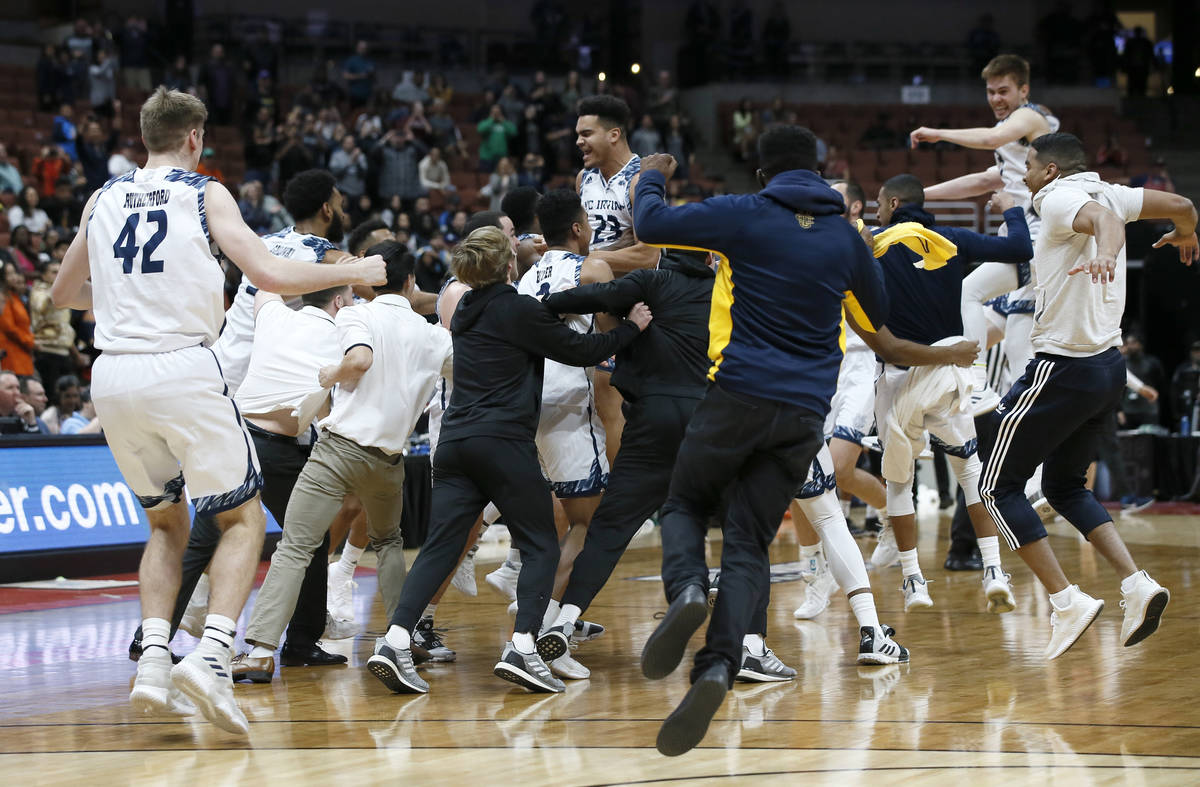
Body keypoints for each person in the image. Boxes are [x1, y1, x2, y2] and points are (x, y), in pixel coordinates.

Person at [50, 87, 384, 734]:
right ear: (195, 138)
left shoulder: (101, 198)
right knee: (241, 521)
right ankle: (211, 656)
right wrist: (361, 265)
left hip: (113, 373)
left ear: (145, 135)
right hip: (180, 364)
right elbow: (270, 273)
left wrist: (124, 296)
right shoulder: (203, 192)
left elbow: (66, 292)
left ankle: (153, 662)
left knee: (165, 525)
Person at [632, 127, 888, 756]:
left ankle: (689, 588)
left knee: (685, 504)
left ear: (762, 171)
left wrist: (654, 172)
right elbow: (877, 310)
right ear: (819, 168)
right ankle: (719, 662)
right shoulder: (844, 236)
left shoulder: (745, 214)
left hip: (740, 393)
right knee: (748, 537)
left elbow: (650, 223)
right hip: (804, 414)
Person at [366, 226, 649, 696]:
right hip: (502, 442)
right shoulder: (519, 308)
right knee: (540, 544)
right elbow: (580, 349)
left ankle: (395, 641)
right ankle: (523, 647)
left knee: (439, 547)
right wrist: (631, 328)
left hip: (456, 442)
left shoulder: (467, 308)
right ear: (509, 265)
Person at [977, 131, 1197, 659]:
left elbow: (1103, 225)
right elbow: (1184, 205)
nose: (1025, 175)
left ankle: (1065, 601)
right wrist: (1187, 233)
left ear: (1050, 170)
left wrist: (1106, 249)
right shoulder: (1111, 191)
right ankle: (1136, 584)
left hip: (1063, 368)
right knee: (1065, 487)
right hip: (1107, 370)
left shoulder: (1055, 200)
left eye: (1029, 166)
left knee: (994, 488)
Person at [238, 241, 438, 677]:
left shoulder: (354, 314)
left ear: (367, 283)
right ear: (410, 281)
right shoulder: (434, 334)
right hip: (389, 458)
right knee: (388, 544)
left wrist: (330, 374)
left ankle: (257, 653)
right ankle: (400, 639)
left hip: (337, 450)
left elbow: (360, 359)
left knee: (295, 546)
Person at [536, 246, 715, 676]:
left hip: (650, 421)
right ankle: (743, 638)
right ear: (709, 258)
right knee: (717, 521)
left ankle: (562, 625)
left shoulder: (649, 283)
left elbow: (586, 297)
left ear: (667, 254)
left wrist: (550, 304)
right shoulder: (721, 291)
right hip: (706, 421)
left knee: (610, 530)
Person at [865, 174, 1029, 613]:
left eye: (878, 204)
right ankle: (994, 569)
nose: (875, 212)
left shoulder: (874, 244)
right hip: (947, 372)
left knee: (900, 483)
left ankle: (914, 579)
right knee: (970, 473)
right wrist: (1011, 208)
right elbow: (1020, 250)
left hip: (899, 374)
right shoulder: (950, 238)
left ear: (894, 202)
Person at [911, 54, 1059, 415]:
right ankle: (944, 412)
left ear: (1023, 90)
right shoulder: (1017, 144)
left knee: (967, 293)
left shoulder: (1031, 117)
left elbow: (992, 137)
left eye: (1004, 90)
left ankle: (975, 386)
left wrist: (938, 133)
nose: (996, 99)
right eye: (991, 92)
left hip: (1037, 238)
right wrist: (921, 195)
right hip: (1024, 241)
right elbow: (983, 181)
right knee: (1000, 346)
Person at [513, 189, 615, 679]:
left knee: (558, 522)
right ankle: (542, 635)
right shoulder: (591, 270)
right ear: (577, 229)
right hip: (570, 405)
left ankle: (535, 620)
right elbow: (611, 338)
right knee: (589, 524)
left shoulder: (526, 276)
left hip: (527, 404)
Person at [212, 169, 352, 395]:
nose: (343, 215)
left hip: (218, 362)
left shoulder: (265, 242)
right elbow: (385, 286)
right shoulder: (329, 258)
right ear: (327, 210)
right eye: (340, 206)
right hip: (251, 381)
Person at [29, 261, 76, 388]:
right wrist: (54, 292)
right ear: (44, 276)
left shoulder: (62, 292)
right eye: (54, 272)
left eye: (60, 271)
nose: (58, 275)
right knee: (52, 393)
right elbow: (40, 306)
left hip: (64, 351)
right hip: (46, 350)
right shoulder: (39, 291)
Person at [1119, 331, 1164, 428]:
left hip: (1148, 408)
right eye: (1128, 343)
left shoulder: (1152, 363)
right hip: (1128, 409)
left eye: (1133, 343)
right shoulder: (1121, 362)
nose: (1130, 346)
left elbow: (1160, 383)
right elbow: (1118, 388)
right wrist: (1119, 410)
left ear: (1140, 344)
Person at [0, 262, 34, 377]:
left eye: (14, 272)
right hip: (11, 352)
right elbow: (8, 328)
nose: (14, 277)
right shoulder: (3, 297)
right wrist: (29, 342)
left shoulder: (14, 296)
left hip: (22, 351)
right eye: (9, 274)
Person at [0, 371, 42, 435]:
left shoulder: (21, 417)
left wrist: (32, 424)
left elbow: (35, 444)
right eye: (10, 388)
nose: (16, 393)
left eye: (18, 388)